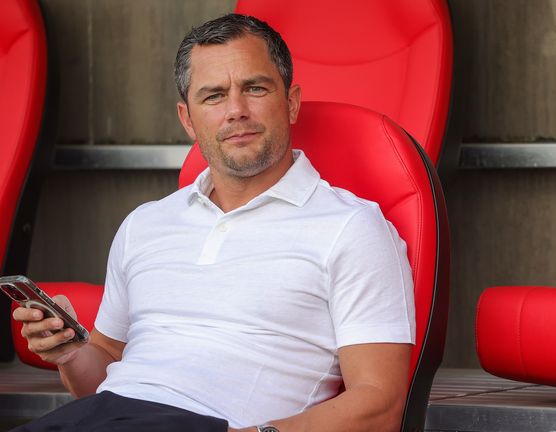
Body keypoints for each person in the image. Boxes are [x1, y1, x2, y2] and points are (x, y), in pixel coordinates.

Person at [12, 13, 415, 432]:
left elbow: (379, 405)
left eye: (254, 88)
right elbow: (105, 379)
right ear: (188, 119)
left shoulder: (351, 227)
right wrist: (71, 352)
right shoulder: (145, 223)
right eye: (214, 96)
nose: (236, 111)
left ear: (290, 102)